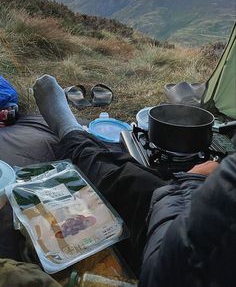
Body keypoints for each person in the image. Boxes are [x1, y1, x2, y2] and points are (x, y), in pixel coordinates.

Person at [33, 75, 236, 287]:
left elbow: (171, 266)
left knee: (127, 179)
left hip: (166, 241)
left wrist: (190, 181)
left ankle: (69, 132)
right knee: (130, 165)